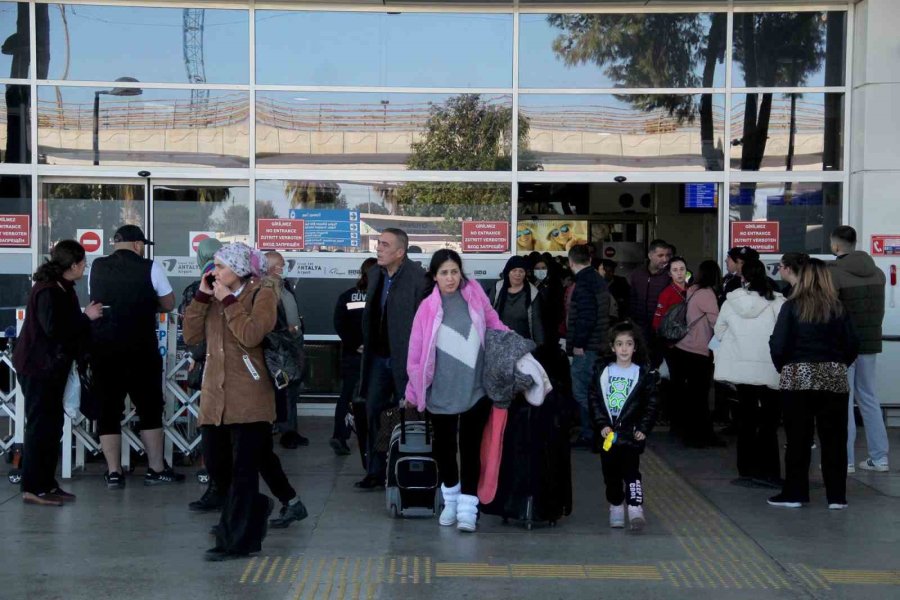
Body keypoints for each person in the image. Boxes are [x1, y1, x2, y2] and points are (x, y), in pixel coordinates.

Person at [183, 242, 289, 560]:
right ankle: (255, 508)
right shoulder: (213, 294)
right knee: (217, 467)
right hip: (215, 398)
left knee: (244, 473)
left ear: (240, 269)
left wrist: (227, 300)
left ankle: (235, 541)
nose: (214, 272)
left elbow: (251, 334)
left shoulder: (262, 293)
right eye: (213, 265)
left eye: (221, 266)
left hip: (250, 398)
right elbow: (191, 337)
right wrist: (202, 297)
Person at [406, 249, 507, 533]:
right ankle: (450, 499)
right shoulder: (427, 307)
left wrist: (515, 349)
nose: (450, 278)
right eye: (444, 273)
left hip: (476, 389)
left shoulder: (475, 296)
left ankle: (468, 508)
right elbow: (415, 353)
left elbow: (494, 324)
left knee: (471, 448)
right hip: (440, 392)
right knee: (445, 449)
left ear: (461, 272)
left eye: (454, 271)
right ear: (434, 276)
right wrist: (413, 391)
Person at [88, 225, 183, 488]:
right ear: (138, 244)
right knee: (150, 408)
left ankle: (114, 472)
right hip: (141, 348)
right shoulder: (150, 266)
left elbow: (95, 301)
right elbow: (169, 303)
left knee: (108, 410)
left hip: (104, 347)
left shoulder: (96, 266)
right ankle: (155, 468)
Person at [13, 240, 103, 506]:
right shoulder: (48, 291)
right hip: (38, 367)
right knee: (40, 426)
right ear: (73, 265)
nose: (85, 267)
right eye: (83, 263)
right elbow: (53, 329)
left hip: (53, 367)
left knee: (52, 427)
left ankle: (47, 483)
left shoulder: (64, 288)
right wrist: (86, 317)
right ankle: (33, 487)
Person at [769, 259, 859, 510]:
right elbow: (852, 343)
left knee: (798, 439)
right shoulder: (839, 308)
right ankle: (837, 497)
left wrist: (785, 367)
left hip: (798, 376)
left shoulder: (792, 307)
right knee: (834, 439)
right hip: (833, 377)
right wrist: (837, 364)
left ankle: (795, 494)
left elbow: (778, 344)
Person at [358, 228, 428, 489]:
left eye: (384, 244)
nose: (378, 247)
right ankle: (375, 471)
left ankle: (410, 470)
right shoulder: (375, 274)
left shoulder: (419, 279)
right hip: (378, 358)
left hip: (406, 360)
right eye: (378, 243)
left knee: (410, 415)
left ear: (400, 252)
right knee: (373, 410)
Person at [714, 258, 786, 487]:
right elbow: (783, 334)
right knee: (769, 423)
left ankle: (746, 469)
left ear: (742, 278)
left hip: (741, 371)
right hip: (770, 370)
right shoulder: (778, 303)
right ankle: (769, 470)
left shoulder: (730, 302)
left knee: (746, 419)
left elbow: (719, 331)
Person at [828, 226, 889, 473]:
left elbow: (829, 311)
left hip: (843, 345)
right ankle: (879, 457)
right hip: (870, 342)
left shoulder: (833, 273)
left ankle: (846, 460)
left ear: (835, 245)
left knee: (844, 400)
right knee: (869, 397)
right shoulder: (878, 273)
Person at [589, 321, 659, 530]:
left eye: (629, 344)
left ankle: (635, 508)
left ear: (635, 347)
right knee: (610, 473)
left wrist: (643, 428)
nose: (624, 348)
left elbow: (651, 404)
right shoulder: (603, 372)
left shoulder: (642, 374)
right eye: (619, 344)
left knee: (631, 472)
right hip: (608, 435)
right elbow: (594, 399)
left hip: (631, 433)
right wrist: (601, 424)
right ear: (612, 347)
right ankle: (616, 506)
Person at [653, 258, 723, 448]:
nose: (680, 273)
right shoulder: (707, 294)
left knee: (689, 394)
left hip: (683, 347)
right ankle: (699, 435)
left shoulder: (691, 290)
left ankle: (686, 431)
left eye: (682, 269)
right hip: (699, 350)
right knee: (699, 396)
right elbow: (716, 322)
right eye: (675, 269)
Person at [566, 244, 611, 450]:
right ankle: (596, 433)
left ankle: (592, 434)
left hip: (587, 347)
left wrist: (578, 344)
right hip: (599, 343)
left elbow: (586, 316)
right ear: (590, 260)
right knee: (594, 390)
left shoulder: (583, 283)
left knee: (582, 391)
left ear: (571, 262)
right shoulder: (598, 280)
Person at [333, 257, 377, 460]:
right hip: (374, 355)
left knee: (347, 395)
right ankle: (374, 436)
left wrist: (354, 344)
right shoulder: (381, 296)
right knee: (374, 396)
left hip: (352, 354)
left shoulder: (347, 296)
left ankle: (339, 435)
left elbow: (339, 324)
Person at [265, 251, 309, 449]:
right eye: (282, 264)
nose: (285, 267)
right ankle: (284, 431)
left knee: (292, 391)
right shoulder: (265, 289)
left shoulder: (285, 286)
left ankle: (292, 430)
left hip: (292, 345)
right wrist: (285, 330)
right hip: (278, 349)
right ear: (274, 267)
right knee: (282, 391)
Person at [627, 239, 672, 365]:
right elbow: (632, 298)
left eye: (667, 255)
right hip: (640, 325)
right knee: (640, 359)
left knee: (659, 362)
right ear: (650, 255)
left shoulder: (670, 275)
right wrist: (632, 319)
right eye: (660, 255)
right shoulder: (637, 274)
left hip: (662, 327)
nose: (664, 259)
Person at [489, 255, 544, 346]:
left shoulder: (532, 293)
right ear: (508, 272)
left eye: (521, 271)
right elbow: (487, 313)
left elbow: (537, 323)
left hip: (523, 344)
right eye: (514, 270)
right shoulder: (497, 288)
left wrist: (540, 346)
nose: (517, 274)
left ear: (525, 273)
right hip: (499, 342)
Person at [532, 253, 565, 349]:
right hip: (534, 329)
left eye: (543, 268)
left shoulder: (555, 285)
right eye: (537, 268)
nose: (540, 271)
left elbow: (559, 307)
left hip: (552, 328)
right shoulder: (529, 285)